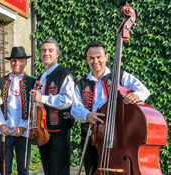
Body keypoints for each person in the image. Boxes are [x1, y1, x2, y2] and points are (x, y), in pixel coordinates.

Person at [71, 40, 150, 175]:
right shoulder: (81, 84)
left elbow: (144, 90)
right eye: (91, 58)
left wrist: (137, 95)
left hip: (119, 139)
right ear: (87, 60)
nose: (95, 61)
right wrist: (87, 115)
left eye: (99, 57)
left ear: (106, 57)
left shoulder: (120, 76)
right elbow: (75, 107)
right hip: (92, 140)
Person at [31, 39, 75, 175]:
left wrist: (42, 98)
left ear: (57, 54)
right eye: (43, 50)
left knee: (59, 171)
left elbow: (67, 100)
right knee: (48, 171)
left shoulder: (64, 74)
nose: (46, 53)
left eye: (50, 50)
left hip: (59, 131)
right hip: (42, 131)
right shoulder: (41, 76)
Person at [0, 46, 35, 175]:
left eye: (20, 60)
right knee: (5, 169)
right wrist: (1, 124)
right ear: (10, 62)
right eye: (14, 60)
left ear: (25, 62)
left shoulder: (32, 82)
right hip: (4, 131)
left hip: (23, 132)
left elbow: (34, 107)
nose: (17, 63)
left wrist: (23, 126)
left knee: (23, 169)